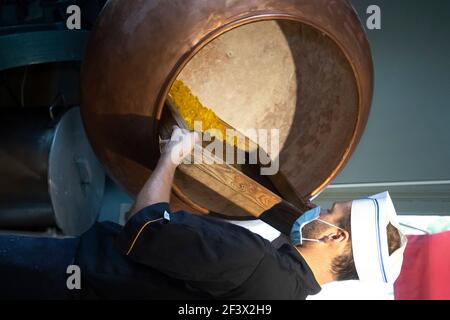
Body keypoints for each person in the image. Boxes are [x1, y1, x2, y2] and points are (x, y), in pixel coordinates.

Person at [0, 126, 407, 300]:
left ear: (336, 238)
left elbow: (143, 229)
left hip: (68, 276)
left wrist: (170, 158)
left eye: (332, 212)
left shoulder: (256, 264)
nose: (320, 210)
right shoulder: (282, 291)